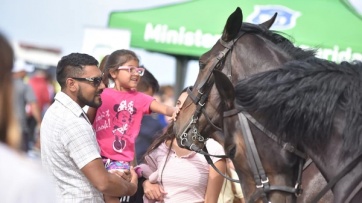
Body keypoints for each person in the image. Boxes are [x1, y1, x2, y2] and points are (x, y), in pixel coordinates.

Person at [40, 52, 138, 202]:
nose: (103, 86)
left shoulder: (55, 111)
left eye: (102, 80)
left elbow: (76, 170)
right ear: (71, 84)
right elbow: (103, 183)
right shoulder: (73, 122)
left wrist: (113, 175)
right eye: (95, 81)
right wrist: (131, 188)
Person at [87, 49, 178, 203]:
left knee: (110, 193)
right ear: (114, 73)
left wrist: (176, 111)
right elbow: (88, 122)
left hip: (119, 162)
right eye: (130, 69)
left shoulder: (140, 99)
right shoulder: (101, 95)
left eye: (138, 70)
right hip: (95, 157)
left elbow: (163, 108)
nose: (136, 73)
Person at [138, 86, 227, 203]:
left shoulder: (213, 150)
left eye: (186, 106)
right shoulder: (161, 146)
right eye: (178, 103)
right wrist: (146, 184)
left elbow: (211, 201)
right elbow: (144, 173)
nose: (178, 109)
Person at [0, 32, 56, 203]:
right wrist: (40, 122)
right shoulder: (26, 180)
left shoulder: (29, 84)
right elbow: (35, 105)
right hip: (19, 127)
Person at [12, 59, 42, 152]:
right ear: (21, 72)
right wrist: (39, 122)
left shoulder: (4, 83)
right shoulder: (25, 86)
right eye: (25, 72)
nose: (26, 74)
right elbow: (33, 105)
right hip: (19, 125)